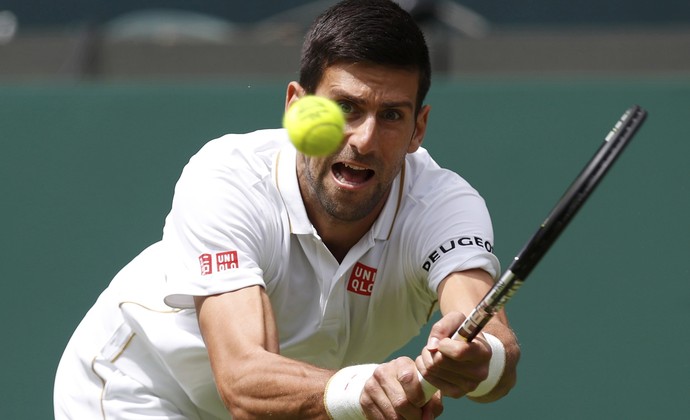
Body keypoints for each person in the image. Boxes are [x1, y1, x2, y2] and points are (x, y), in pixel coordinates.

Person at [54, 1, 520, 419]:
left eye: (392, 115)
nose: (364, 139)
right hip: (136, 390)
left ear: (419, 128)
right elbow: (243, 379)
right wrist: (361, 390)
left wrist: (482, 359)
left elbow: (491, 341)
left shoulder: (444, 205)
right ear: (297, 104)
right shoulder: (226, 180)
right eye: (346, 107)